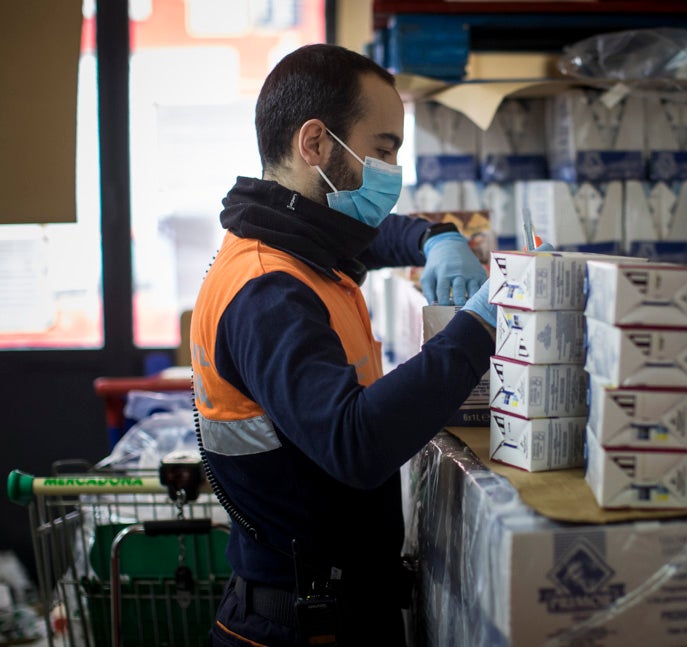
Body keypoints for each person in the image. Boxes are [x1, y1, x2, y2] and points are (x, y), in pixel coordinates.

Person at [190, 43, 502, 646]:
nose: (393, 167)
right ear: (316, 144)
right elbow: (356, 443)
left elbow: (367, 236)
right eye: (383, 148)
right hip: (299, 625)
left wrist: (436, 238)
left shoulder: (292, 238)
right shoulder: (267, 293)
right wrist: (481, 325)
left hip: (336, 603)